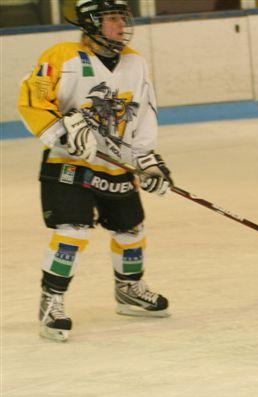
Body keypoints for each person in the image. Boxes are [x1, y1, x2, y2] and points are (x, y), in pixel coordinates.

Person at [17, 0, 173, 342]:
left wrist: (147, 160)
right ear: (91, 24)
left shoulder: (135, 62)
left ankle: (129, 288)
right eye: (111, 19)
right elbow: (32, 100)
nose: (120, 25)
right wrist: (64, 132)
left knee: (131, 231)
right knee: (73, 230)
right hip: (67, 162)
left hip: (115, 162)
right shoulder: (61, 55)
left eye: (121, 18)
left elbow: (144, 112)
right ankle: (52, 300)